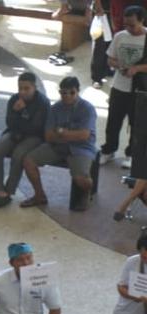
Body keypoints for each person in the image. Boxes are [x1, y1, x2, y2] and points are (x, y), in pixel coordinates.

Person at [22, 76, 97, 210]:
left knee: (81, 179)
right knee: (29, 161)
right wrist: (71, 135)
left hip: (81, 148)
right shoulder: (55, 108)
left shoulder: (87, 109)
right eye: (63, 92)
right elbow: (48, 136)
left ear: (78, 91)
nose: (67, 96)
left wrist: (62, 132)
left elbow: (84, 136)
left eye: (71, 92)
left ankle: (87, 191)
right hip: (58, 146)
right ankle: (39, 195)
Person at [0, 72, 49, 208]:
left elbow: (36, 127)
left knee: (18, 155)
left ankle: (9, 191)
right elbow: (9, 123)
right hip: (15, 133)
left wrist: (23, 113)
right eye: (20, 88)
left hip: (35, 137)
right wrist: (15, 112)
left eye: (26, 88)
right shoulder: (14, 99)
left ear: (34, 88)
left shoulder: (42, 103)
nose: (22, 92)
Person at [100, 5, 145, 169]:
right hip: (119, 86)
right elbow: (110, 59)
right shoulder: (120, 36)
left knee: (137, 123)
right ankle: (109, 150)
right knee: (113, 121)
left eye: (132, 25)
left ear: (142, 20)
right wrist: (118, 65)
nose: (129, 28)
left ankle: (131, 154)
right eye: (126, 25)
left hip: (140, 88)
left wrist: (137, 69)